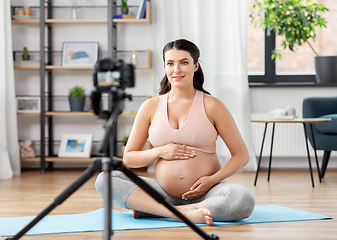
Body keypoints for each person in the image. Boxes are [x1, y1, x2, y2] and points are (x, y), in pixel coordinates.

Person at [95, 39, 255, 225]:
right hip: (163, 192)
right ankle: (183, 213)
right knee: (105, 178)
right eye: (170, 63)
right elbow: (129, 158)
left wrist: (212, 180)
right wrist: (160, 152)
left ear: (196, 66)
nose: (176, 70)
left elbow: (241, 155)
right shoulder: (150, 107)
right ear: (164, 67)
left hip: (208, 193)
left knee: (243, 200)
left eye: (184, 62)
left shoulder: (213, 106)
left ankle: (158, 210)